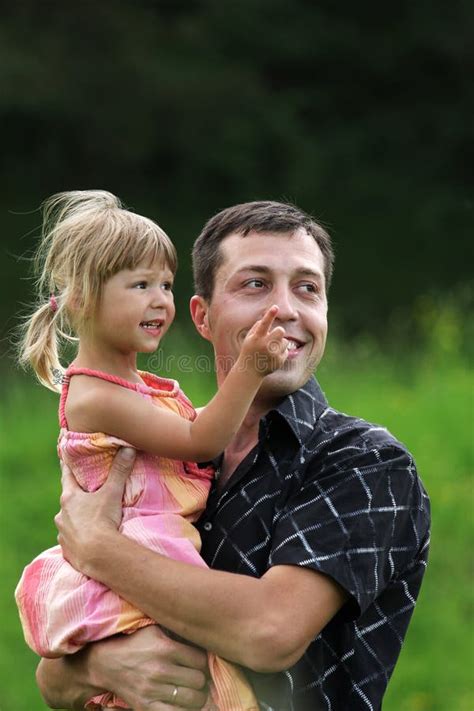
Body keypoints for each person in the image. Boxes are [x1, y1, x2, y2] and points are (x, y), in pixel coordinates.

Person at [35, 200, 430, 711]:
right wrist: (97, 666)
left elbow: (269, 632)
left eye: (308, 288)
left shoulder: (365, 462)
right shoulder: (162, 452)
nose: (285, 309)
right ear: (202, 316)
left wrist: (100, 549)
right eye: (255, 284)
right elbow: (54, 677)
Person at [15, 191, 291, 711]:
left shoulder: (138, 387)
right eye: (140, 285)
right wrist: (250, 370)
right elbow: (200, 440)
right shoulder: (97, 396)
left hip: (155, 553)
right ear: (80, 298)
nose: (160, 300)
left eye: (165, 284)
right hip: (141, 562)